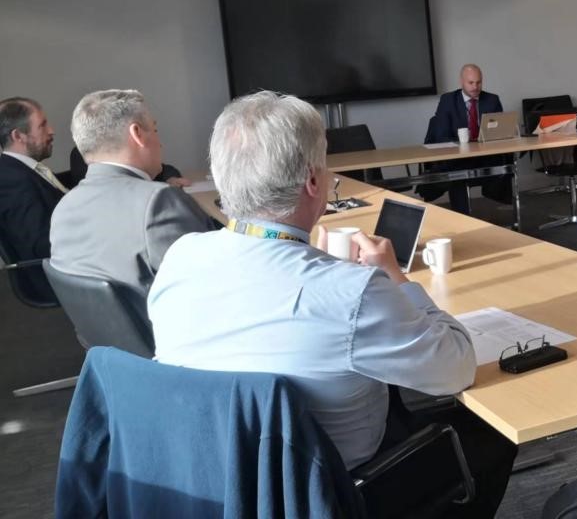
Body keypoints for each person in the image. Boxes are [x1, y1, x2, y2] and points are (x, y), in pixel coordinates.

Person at [149, 91, 514, 518]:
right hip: (335, 493)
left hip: (215, 485)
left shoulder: (182, 255)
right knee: (491, 435)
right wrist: (397, 279)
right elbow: (456, 367)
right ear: (312, 181)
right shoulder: (351, 292)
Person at [49, 90, 217, 304]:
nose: (161, 143)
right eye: (155, 130)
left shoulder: (63, 208)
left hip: (101, 325)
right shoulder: (158, 202)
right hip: (163, 323)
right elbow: (210, 280)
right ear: (137, 134)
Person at [420, 64, 513, 214]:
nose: (475, 87)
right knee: (458, 173)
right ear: (461, 82)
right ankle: (462, 216)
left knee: (506, 162)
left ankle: (503, 203)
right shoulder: (448, 100)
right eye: (471, 83)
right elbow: (442, 136)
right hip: (457, 159)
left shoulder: (492, 100)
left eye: (478, 82)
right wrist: (465, 143)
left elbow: (499, 133)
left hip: (485, 157)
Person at [0, 97, 64, 301]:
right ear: (18, 136)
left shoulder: (23, 170)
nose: (51, 131)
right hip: (58, 277)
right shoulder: (11, 179)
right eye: (42, 125)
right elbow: (40, 244)